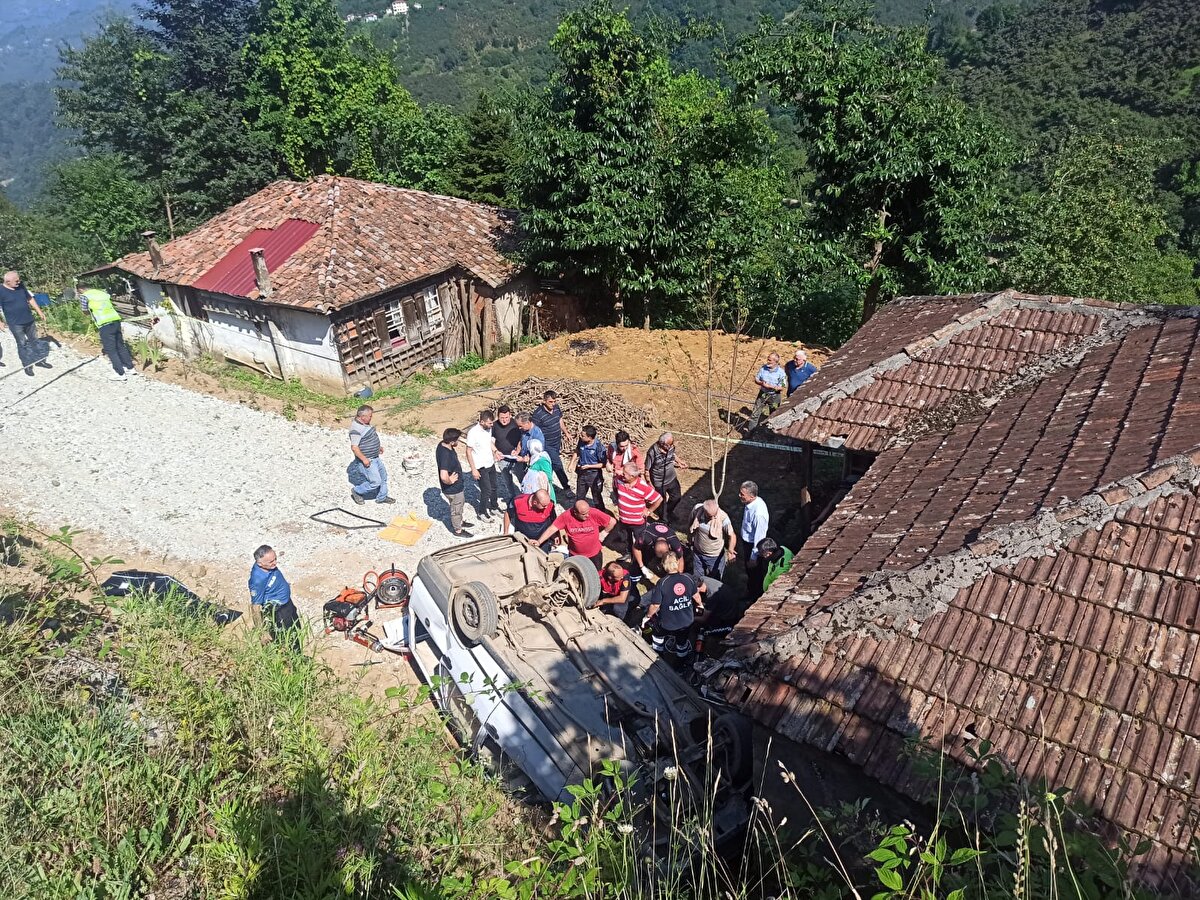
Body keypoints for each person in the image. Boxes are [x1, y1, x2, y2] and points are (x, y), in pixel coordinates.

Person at [641, 556, 701, 666]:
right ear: (677, 563)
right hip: (686, 621)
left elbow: (655, 605)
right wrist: (700, 605)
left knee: (658, 636)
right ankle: (680, 663)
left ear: (664, 566)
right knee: (682, 643)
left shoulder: (662, 583)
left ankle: (658, 656)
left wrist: (647, 617)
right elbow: (696, 596)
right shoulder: (688, 578)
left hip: (667, 623)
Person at [248, 544, 302, 648]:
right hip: (278, 611)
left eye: (275, 559)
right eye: (271, 562)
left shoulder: (268, 567)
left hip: (287, 604)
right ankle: (292, 658)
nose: (275, 563)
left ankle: (298, 653)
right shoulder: (257, 580)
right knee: (287, 637)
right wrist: (261, 631)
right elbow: (255, 607)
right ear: (260, 563)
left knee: (296, 629)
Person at [80, 287, 138, 381]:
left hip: (104, 323)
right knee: (120, 345)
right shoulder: (101, 293)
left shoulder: (85, 296)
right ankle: (131, 368)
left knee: (111, 350)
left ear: (80, 289)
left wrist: (89, 313)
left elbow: (84, 310)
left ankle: (120, 373)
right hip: (115, 320)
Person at [538, 499, 614, 569]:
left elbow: (612, 521)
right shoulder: (566, 516)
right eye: (584, 514)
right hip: (576, 555)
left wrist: (603, 534)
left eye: (588, 512)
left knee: (596, 574)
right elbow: (552, 529)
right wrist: (539, 542)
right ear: (575, 513)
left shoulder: (594, 513)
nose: (587, 515)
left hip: (594, 555)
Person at [0, 270, 49, 376]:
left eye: (19, 280)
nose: (19, 282)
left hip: (29, 320)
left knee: (35, 341)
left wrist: (39, 311)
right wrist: (0, 322)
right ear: (8, 281)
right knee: (22, 344)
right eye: (16, 281)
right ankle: (27, 366)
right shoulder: (1, 290)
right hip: (15, 323)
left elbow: (30, 298)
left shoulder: (21, 286)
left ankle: (39, 361)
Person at [615, 463, 662, 564]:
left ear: (632, 476)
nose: (622, 475)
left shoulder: (643, 487)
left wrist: (649, 511)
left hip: (638, 522)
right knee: (626, 538)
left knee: (640, 541)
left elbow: (658, 499)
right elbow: (615, 485)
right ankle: (628, 554)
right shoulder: (619, 479)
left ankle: (643, 559)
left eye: (625, 474)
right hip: (623, 519)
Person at [349, 405, 396, 506]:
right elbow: (354, 447)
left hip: (375, 457)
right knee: (375, 482)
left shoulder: (365, 423)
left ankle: (382, 497)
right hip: (368, 460)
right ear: (363, 416)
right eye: (370, 416)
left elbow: (368, 438)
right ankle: (357, 491)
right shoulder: (356, 429)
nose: (371, 418)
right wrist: (364, 459)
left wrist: (377, 447)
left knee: (383, 477)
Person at [531, 390, 571, 494]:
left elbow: (560, 420)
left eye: (554, 401)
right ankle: (566, 487)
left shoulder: (557, 408)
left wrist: (566, 433)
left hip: (557, 441)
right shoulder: (538, 414)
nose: (553, 404)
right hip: (546, 444)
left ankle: (546, 485)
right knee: (558, 464)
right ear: (544, 401)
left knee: (551, 464)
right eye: (550, 402)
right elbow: (535, 430)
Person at [465, 409, 500, 521]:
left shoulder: (488, 429)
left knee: (494, 487)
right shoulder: (473, 433)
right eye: (490, 423)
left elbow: (489, 442)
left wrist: (495, 451)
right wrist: (473, 469)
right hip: (481, 466)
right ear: (482, 422)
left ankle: (494, 507)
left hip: (490, 463)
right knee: (486, 490)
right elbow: (468, 451)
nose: (492, 425)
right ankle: (482, 512)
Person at [644, 432, 687, 524]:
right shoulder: (652, 452)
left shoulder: (670, 447)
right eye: (669, 444)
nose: (671, 446)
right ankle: (663, 520)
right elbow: (646, 470)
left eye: (672, 443)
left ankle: (668, 512)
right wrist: (649, 484)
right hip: (659, 482)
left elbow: (673, 454)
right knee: (661, 502)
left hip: (671, 478)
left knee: (677, 497)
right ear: (662, 444)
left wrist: (679, 462)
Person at [688, 499, 737, 579]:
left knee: (715, 579)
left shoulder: (723, 517)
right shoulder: (697, 510)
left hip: (714, 556)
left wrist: (731, 550)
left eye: (715, 515)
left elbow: (732, 535)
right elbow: (690, 522)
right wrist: (690, 536)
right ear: (704, 511)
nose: (714, 518)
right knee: (697, 578)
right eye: (710, 516)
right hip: (698, 553)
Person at [739, 481, 770, 600]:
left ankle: (755, 595)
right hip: (747, 541)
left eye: (742, 494)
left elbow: (759, 538)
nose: (739, 496)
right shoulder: (751, 503)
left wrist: (753, 557)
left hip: (753, 546)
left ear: (752, 496)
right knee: (749, 571)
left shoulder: (758, 514)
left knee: (754, 573)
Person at [437, 427, 471, 536]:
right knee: (456, 509)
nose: (458, 441)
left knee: (458, 506)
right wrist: (449, 481)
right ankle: (458, 530)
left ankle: (460, 522)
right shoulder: (446, 455)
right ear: (452, 442)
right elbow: (443, 476)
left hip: (454, 488)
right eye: (457, 440)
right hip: (453, 489)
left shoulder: (442, 444)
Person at [745, 352, 786, 433]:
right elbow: (756, 379)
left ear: (775, 362)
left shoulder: (781, 373)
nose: (767, 361)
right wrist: (761, 383)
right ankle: (750, 432)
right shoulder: (763, 368)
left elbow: (782, 387)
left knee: (773, 415)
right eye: (768, 359)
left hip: (774, 396)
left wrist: (771, 387)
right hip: (762, 394)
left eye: (770, 360)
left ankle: (772, 434)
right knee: (755, 413)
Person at [491, 404, 523, 504]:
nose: (504, 420)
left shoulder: (516, 424)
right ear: (498, 417)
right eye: (502, 418)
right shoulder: (494, 426)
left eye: (506, 417)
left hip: (516, 457)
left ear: (510, 415)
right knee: (507, 480)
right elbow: (489, 441)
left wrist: (518, 450)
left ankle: (525, 496)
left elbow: (523, 438)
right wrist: (495, 451)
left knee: (522, 478)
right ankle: (512, 498)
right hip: (502, 458)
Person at [573, 424, 609, 511]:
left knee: (597, 498)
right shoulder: (581, 441)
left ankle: (601, 515)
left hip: (594, 475)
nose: (580, 436)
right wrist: (571, 463)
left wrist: (589, 466)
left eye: (583, 435)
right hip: (582, 474)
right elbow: (577, 451)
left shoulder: (599, 447)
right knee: (579, 497)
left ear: (590, 438)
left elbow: (603, 464)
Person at [520, 439, 556, 503]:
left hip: (543, 489)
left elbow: (549, 476)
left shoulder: (542, 460)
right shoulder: (535, 458)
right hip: (535, 488)